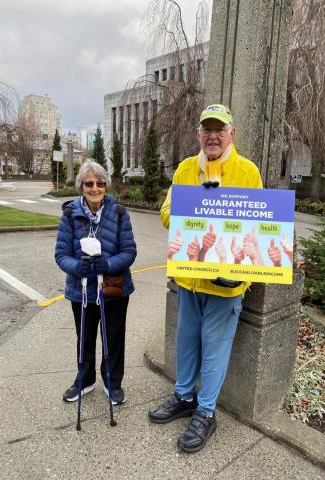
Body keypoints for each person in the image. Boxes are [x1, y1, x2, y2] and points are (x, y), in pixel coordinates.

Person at [148, 104, 262, 453]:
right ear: (198, 134)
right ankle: (183, 397)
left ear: (232, 134)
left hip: (226, 283)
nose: (213, 135)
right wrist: (197, 205)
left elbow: (258, 228)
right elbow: (167, 213)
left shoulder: (247, 172)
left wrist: (242, 271)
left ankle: (206, 412)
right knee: (186, 342)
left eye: (219, 129)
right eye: (206, 129)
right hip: (189, 277)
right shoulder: (185, 169)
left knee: (215, 347)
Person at [55, 160, 136, 405]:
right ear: (81, 186)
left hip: (113, 285)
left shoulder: (120, 213)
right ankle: (85, 378)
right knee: (85, 337)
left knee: (113, 338)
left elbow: (129, 250)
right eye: (89, 183)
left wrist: (109, 265)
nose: (95, 188)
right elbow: (61, 254)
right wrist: (77, 267)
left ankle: (113, 382)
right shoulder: (70, 215)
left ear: (106, 186)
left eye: (100, 183)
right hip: (81, 289)